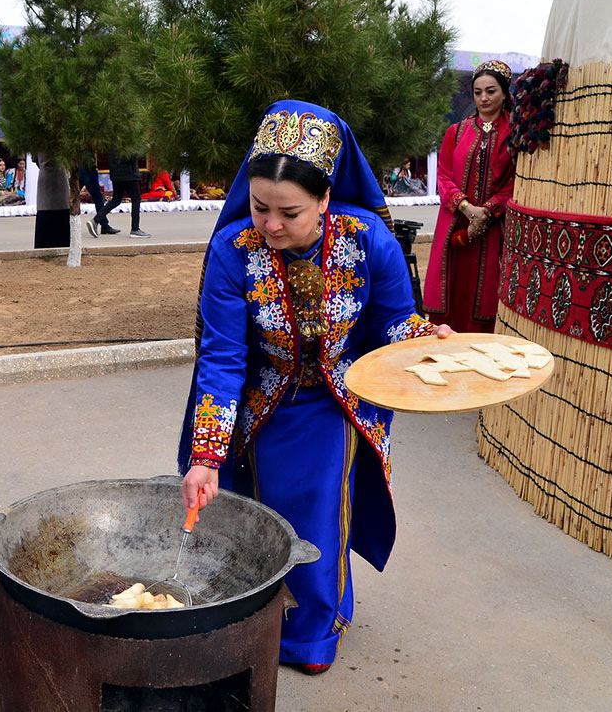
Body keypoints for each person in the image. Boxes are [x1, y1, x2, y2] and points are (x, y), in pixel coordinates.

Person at [177, 100, 452, 676]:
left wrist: (427, 339)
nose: (270, 225)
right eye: (259, 207)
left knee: (319, 511)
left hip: (337, 398)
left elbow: (393, 324)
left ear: (326, 199)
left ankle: (308, 636)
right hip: (257, 400)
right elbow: (224, 358)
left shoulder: (367, 237)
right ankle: (248, 619)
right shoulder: (233, 252)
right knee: (244, 509)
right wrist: (207, 456)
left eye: (290, 212)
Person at [423, 60, 516, 333]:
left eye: (491, 91)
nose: (484, 98)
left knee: (485, 294)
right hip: (455, 222)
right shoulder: (456, 132)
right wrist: (467, 209)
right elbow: (443, 176)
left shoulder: (514, 135)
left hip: (492, 229)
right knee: (452, 291)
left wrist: (486, 211)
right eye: (478, 92)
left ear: (504, 93)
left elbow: (514, 183)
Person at [90, 150, 149, 238]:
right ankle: (135, 229)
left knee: (116, 200)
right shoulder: (128, 141)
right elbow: (131, 156)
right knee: (136, 199)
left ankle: (95, 220)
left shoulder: (114, 142)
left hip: (116, 175)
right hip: (129, 174)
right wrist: (143, 148)